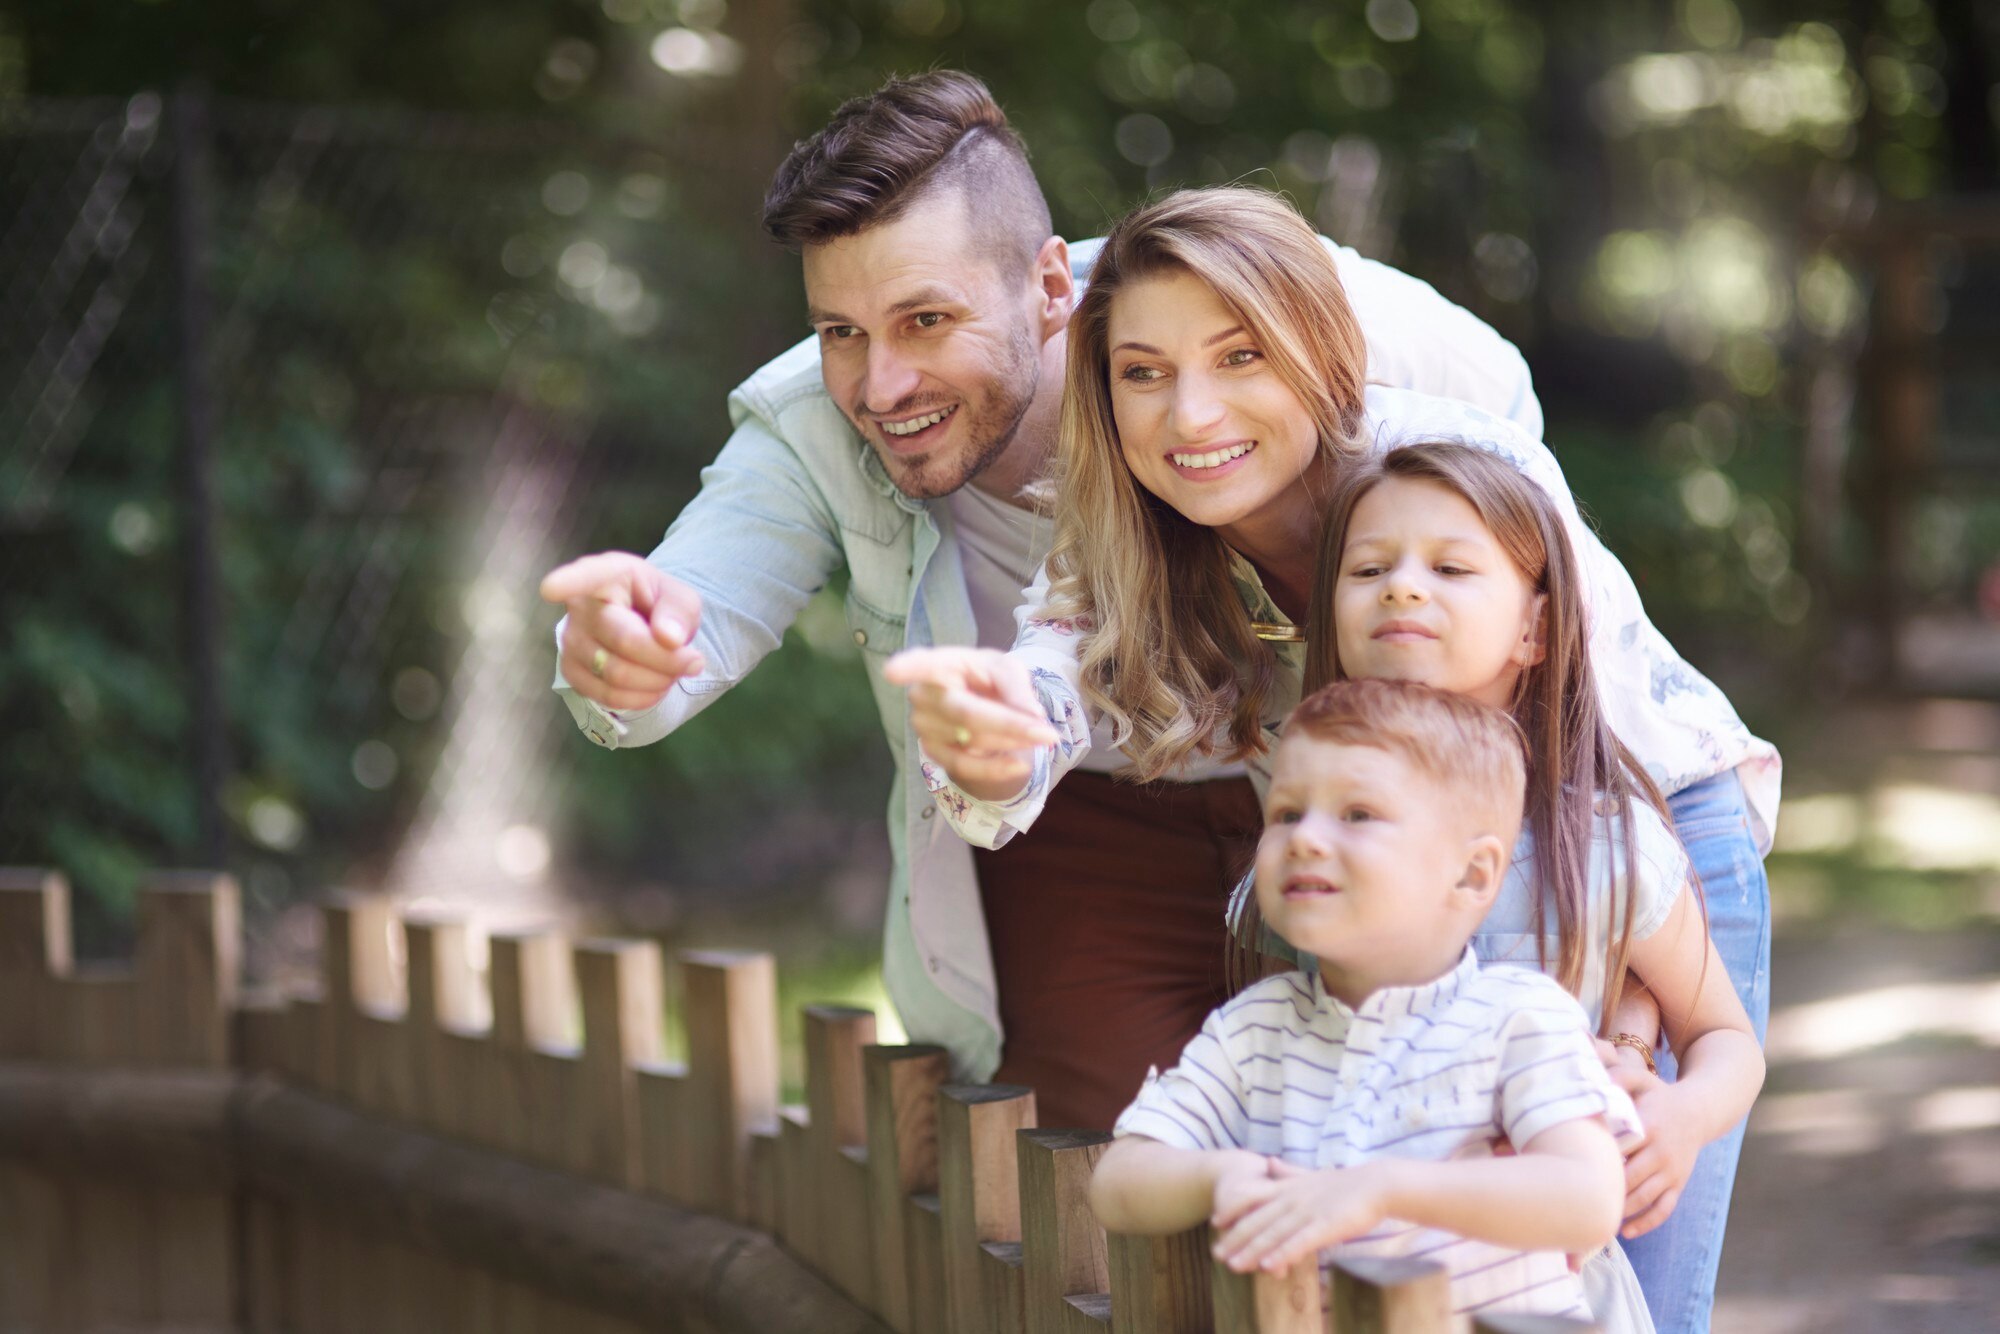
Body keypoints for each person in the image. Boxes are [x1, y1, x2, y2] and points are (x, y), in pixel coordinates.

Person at [537, 72, 1546, 1125]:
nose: (880, 385)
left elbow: (1501, 430)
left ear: (1051, 288)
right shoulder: (811, 423)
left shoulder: (1254, 302)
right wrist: (618, 655)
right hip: (1077, 810)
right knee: (1112, 1193)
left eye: (925, 320)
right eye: (840, 330)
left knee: (1432, 1130)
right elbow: (685, 609)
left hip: (1345, 788)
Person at [896, 185, 1779, 1334]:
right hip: (1417, 884)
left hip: (1632, 833)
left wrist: (1630, 1046)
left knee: (1619, 1289)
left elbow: (1586, 788)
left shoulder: (1453, 478)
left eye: (1238, 354)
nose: (1189, 411)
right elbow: (1045, 692)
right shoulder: (1116, 530)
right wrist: (997, 742)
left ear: (1316, 351)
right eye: (1142, 372)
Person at [1088, 678, 1652, 1332]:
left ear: (1471, 875)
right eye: (1287, 813)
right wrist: (1219, 1176)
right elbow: (1118, 1183)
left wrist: (1382, 1188)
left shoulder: (1516, 1017)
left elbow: (1585, 1198)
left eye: (1356, 814)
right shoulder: (1253, 1030)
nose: (1305, 839)